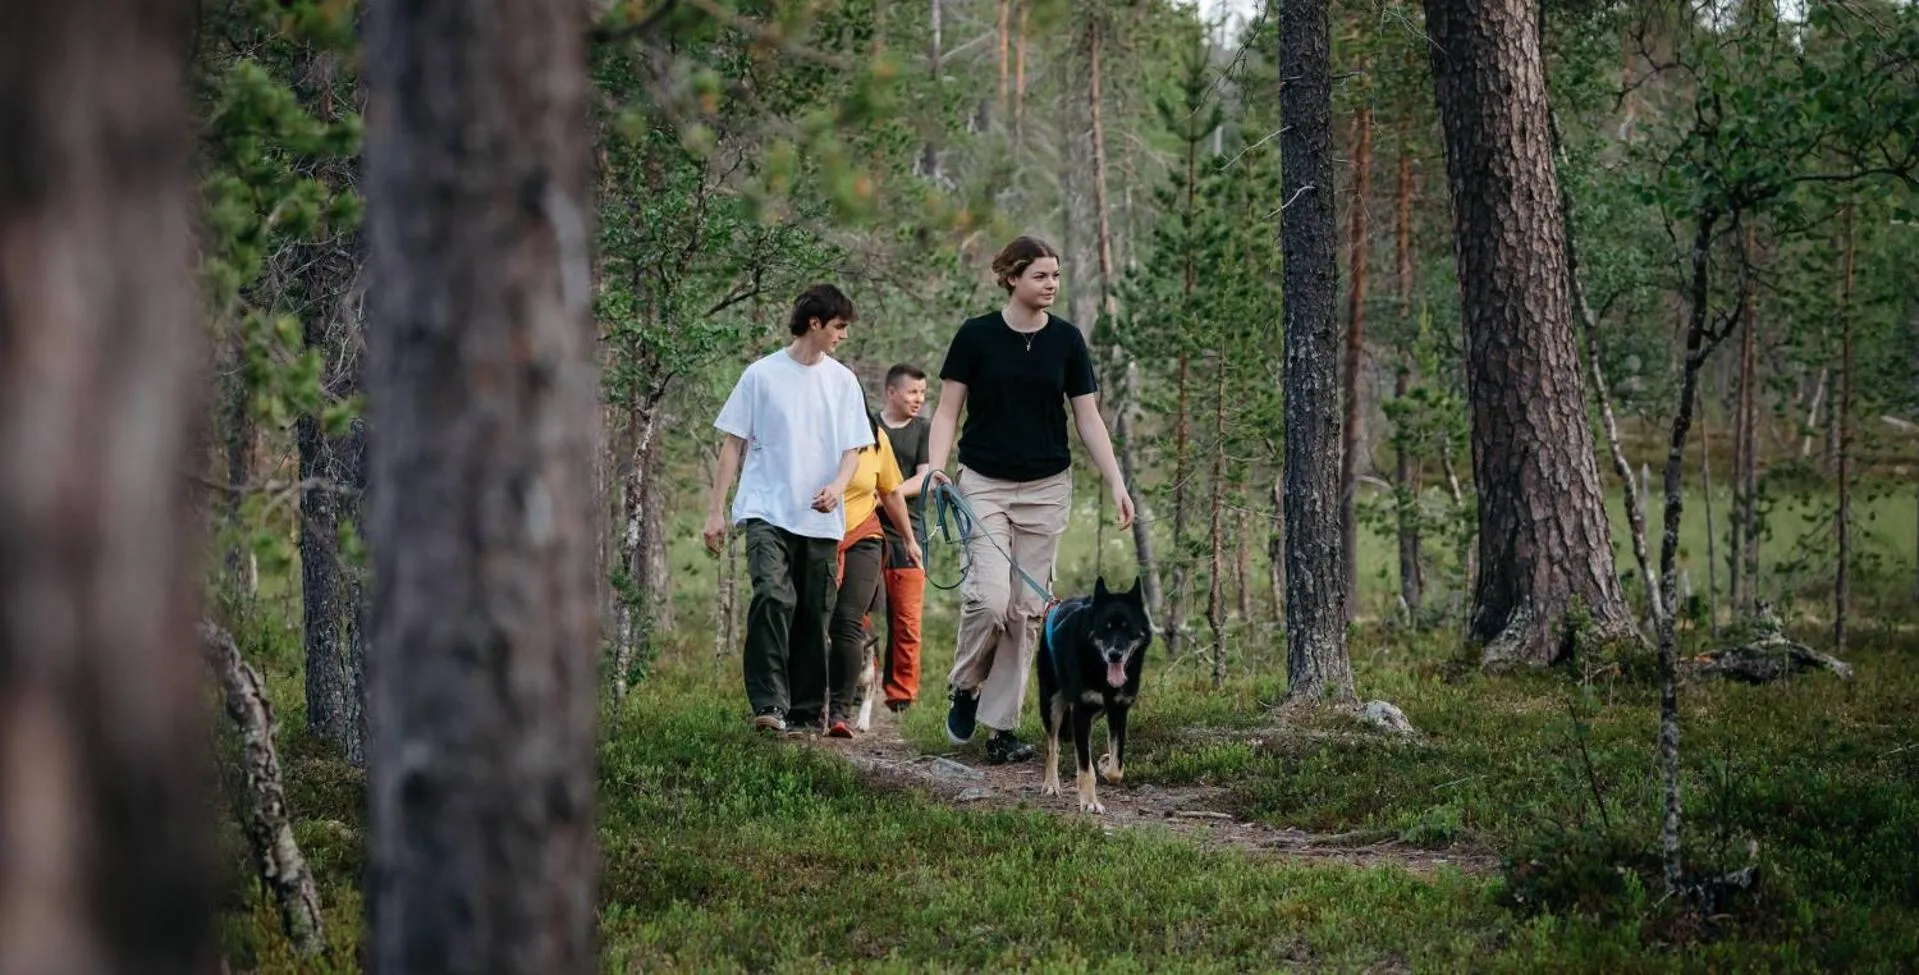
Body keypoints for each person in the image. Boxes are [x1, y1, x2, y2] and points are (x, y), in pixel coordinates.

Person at [924, 236, 1136, 764]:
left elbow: (1087, 418)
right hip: (984, 484)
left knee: (1025, 613)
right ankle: (966, 687)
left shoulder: (1066, 341)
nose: (1051, 285)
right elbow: (948, 411)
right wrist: (934, 466)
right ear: (1012, 277)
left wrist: (1116, 481)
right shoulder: (976, 336)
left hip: (1046, 489)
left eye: (1056, 277)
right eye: (1041, 275)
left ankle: (1001, 730)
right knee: (990, 601)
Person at [704, 284, 873, 733]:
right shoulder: (761, 375)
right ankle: (768, 703)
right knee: (773, 597)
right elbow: (732, 444)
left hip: (820, 517)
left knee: (813, 612)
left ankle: (801, 709)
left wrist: (838, 487)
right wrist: (716, 511)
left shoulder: (843, 381)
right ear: (814, 323)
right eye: (839, 326)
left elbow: (854, 449)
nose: (843, 335)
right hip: (766, 509)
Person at [825, 411, 922, 737]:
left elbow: (895, 490)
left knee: (855, 620)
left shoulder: (877, 437)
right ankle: (808, 704)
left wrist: (910, 540)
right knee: (816, 618)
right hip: (819, 535)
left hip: (866, 535)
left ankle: (850, 708)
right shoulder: (815, 429)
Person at [875, 363, 932, 711]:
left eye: (923, 393)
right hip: (864, 530)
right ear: (891, 392)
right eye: (912, 392)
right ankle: (858, 682)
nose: (919, 399)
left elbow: (924, 477)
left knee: (907, 621)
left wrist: (888, 491)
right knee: (857, 614)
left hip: (909, 534)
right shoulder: (869, 425)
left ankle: (901, 696)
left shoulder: (924, 430)